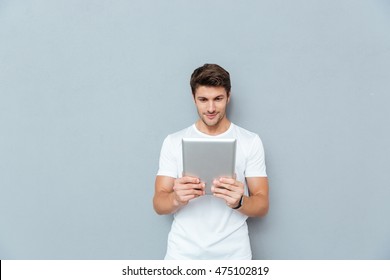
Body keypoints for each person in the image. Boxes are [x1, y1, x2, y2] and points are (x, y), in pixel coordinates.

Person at [153, 63, 269, 260]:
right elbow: (158, 203)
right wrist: (176, 198)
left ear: (228, 96)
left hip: (234, 255)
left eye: (218, 99)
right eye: (203, 100)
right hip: (183, 254)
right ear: (193, 99)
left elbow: (262, 204)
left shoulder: (250, 141)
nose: (211, 108)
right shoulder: (173, 142)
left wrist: (240, 201)